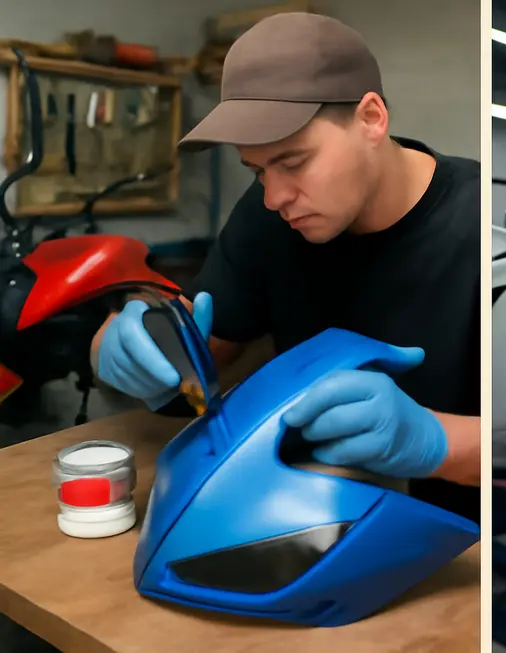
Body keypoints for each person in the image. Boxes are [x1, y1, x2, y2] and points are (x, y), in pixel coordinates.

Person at [90, 13, 481, 523]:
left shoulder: (480, 228)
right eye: (257, 170)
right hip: (305, 516)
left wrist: (436, 441)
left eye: (294, 163)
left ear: (371, 118)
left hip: (461, 543)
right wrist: (120, 343)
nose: (275, 196)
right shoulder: (269, 216)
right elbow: (193, 350)